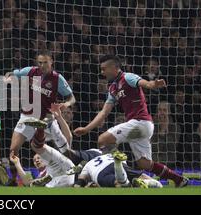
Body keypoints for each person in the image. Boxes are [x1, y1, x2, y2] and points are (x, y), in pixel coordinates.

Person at [74, 55, 188, 187]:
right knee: (145, 164)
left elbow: (145, 84)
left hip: (139, 122)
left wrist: (153, 84)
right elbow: (104, 112)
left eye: (104, 69)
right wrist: (86, 129)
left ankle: (119, 172)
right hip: (141, 127)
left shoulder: (127, 77)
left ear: (114, 67)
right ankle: (178, 179)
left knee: (103, 140)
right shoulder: (112, 88)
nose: (102, 72)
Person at [4, 50, 75, 185]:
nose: (42, 66)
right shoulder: (30, 71)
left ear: (51, 62)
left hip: (47, 119)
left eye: (45, 63)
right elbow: (12, 74)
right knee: (13, 149)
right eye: (40, 63)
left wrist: (66, 103)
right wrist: (8, 78)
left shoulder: (57, 79)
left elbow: (72, 98)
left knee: (65, 148)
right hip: (27, 117)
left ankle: (71, 172)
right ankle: (13, 180)